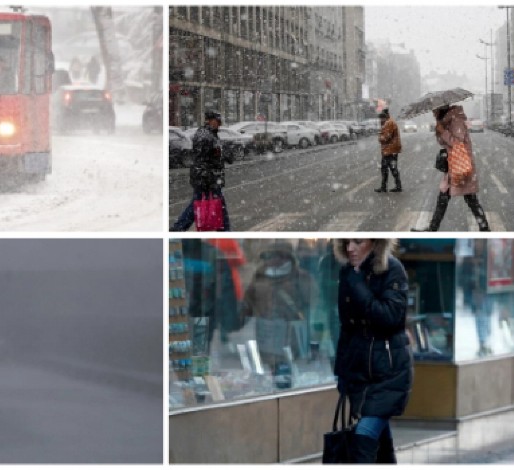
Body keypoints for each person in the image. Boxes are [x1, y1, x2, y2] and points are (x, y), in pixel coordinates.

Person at [333, 239, 412, 464]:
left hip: (389, 372)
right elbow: (348, 328)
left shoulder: (392, 269)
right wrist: (342, 372)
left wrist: (358, 285)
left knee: (364, 437)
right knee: (380, 446)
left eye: (358, 242)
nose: (350, 248)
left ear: (375, 242)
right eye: (346, 242)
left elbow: (389, 317)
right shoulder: (348, 272)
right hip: (360, 373)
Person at [239, 241, 317, 387]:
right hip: (266, 333)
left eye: (271, 256)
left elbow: (312, 305)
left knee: (290, 374)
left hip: (290, 335)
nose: (267, 260)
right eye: (265, 256)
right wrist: (237, 319)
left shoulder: (301, 277)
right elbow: (248, 303)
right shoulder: (259, 276)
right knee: (271, 373)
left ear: (284, 257)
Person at [412, 104, 490, 231]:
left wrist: (443, 131)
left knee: (469, 199)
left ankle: (485, 229)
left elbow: (457, 142)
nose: (433, 113)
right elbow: (444, 142)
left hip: (461, 164)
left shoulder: (456, 120)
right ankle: (433, 229)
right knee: (446, 197)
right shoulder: (447, 121)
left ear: (441, 109)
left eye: (435, 110)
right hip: (453, 164)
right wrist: (439, 129)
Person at [170, 111, 232, 231]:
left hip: (210, 177)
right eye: (218, 121)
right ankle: (177, 229)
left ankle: (178, 228)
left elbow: (213, 154)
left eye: (220, 122)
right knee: (207, 205)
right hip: (208, 179)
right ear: (210, 120)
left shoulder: (210, 134)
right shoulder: (204, 135)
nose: (219, 124)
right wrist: (206, 176)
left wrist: (224, 156)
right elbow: (201, 158)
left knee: (206, 204)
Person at [375, 109, 402, 193]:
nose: (380, 120)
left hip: (390, 150)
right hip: (390, 150)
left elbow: (385, 137)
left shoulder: (389, 123)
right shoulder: (389, 122)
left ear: (385, 117)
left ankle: (387, 187)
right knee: (390, 168)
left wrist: (380, 137)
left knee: (387, 169)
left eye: (381, 118)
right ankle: (396, 186)